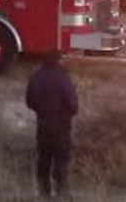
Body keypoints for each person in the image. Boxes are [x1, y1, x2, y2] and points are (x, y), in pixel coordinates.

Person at [25, 50, 79, 198]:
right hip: (61, 124)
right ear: (58, 61)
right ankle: (62, 191)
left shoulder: (35, 77)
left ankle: (44, 190)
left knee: (44, 158)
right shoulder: (63, 78)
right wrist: (68, 114)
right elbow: (73, 103)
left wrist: (41, 111)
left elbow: (29, 102)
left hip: (42, 123)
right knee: (61, 158)